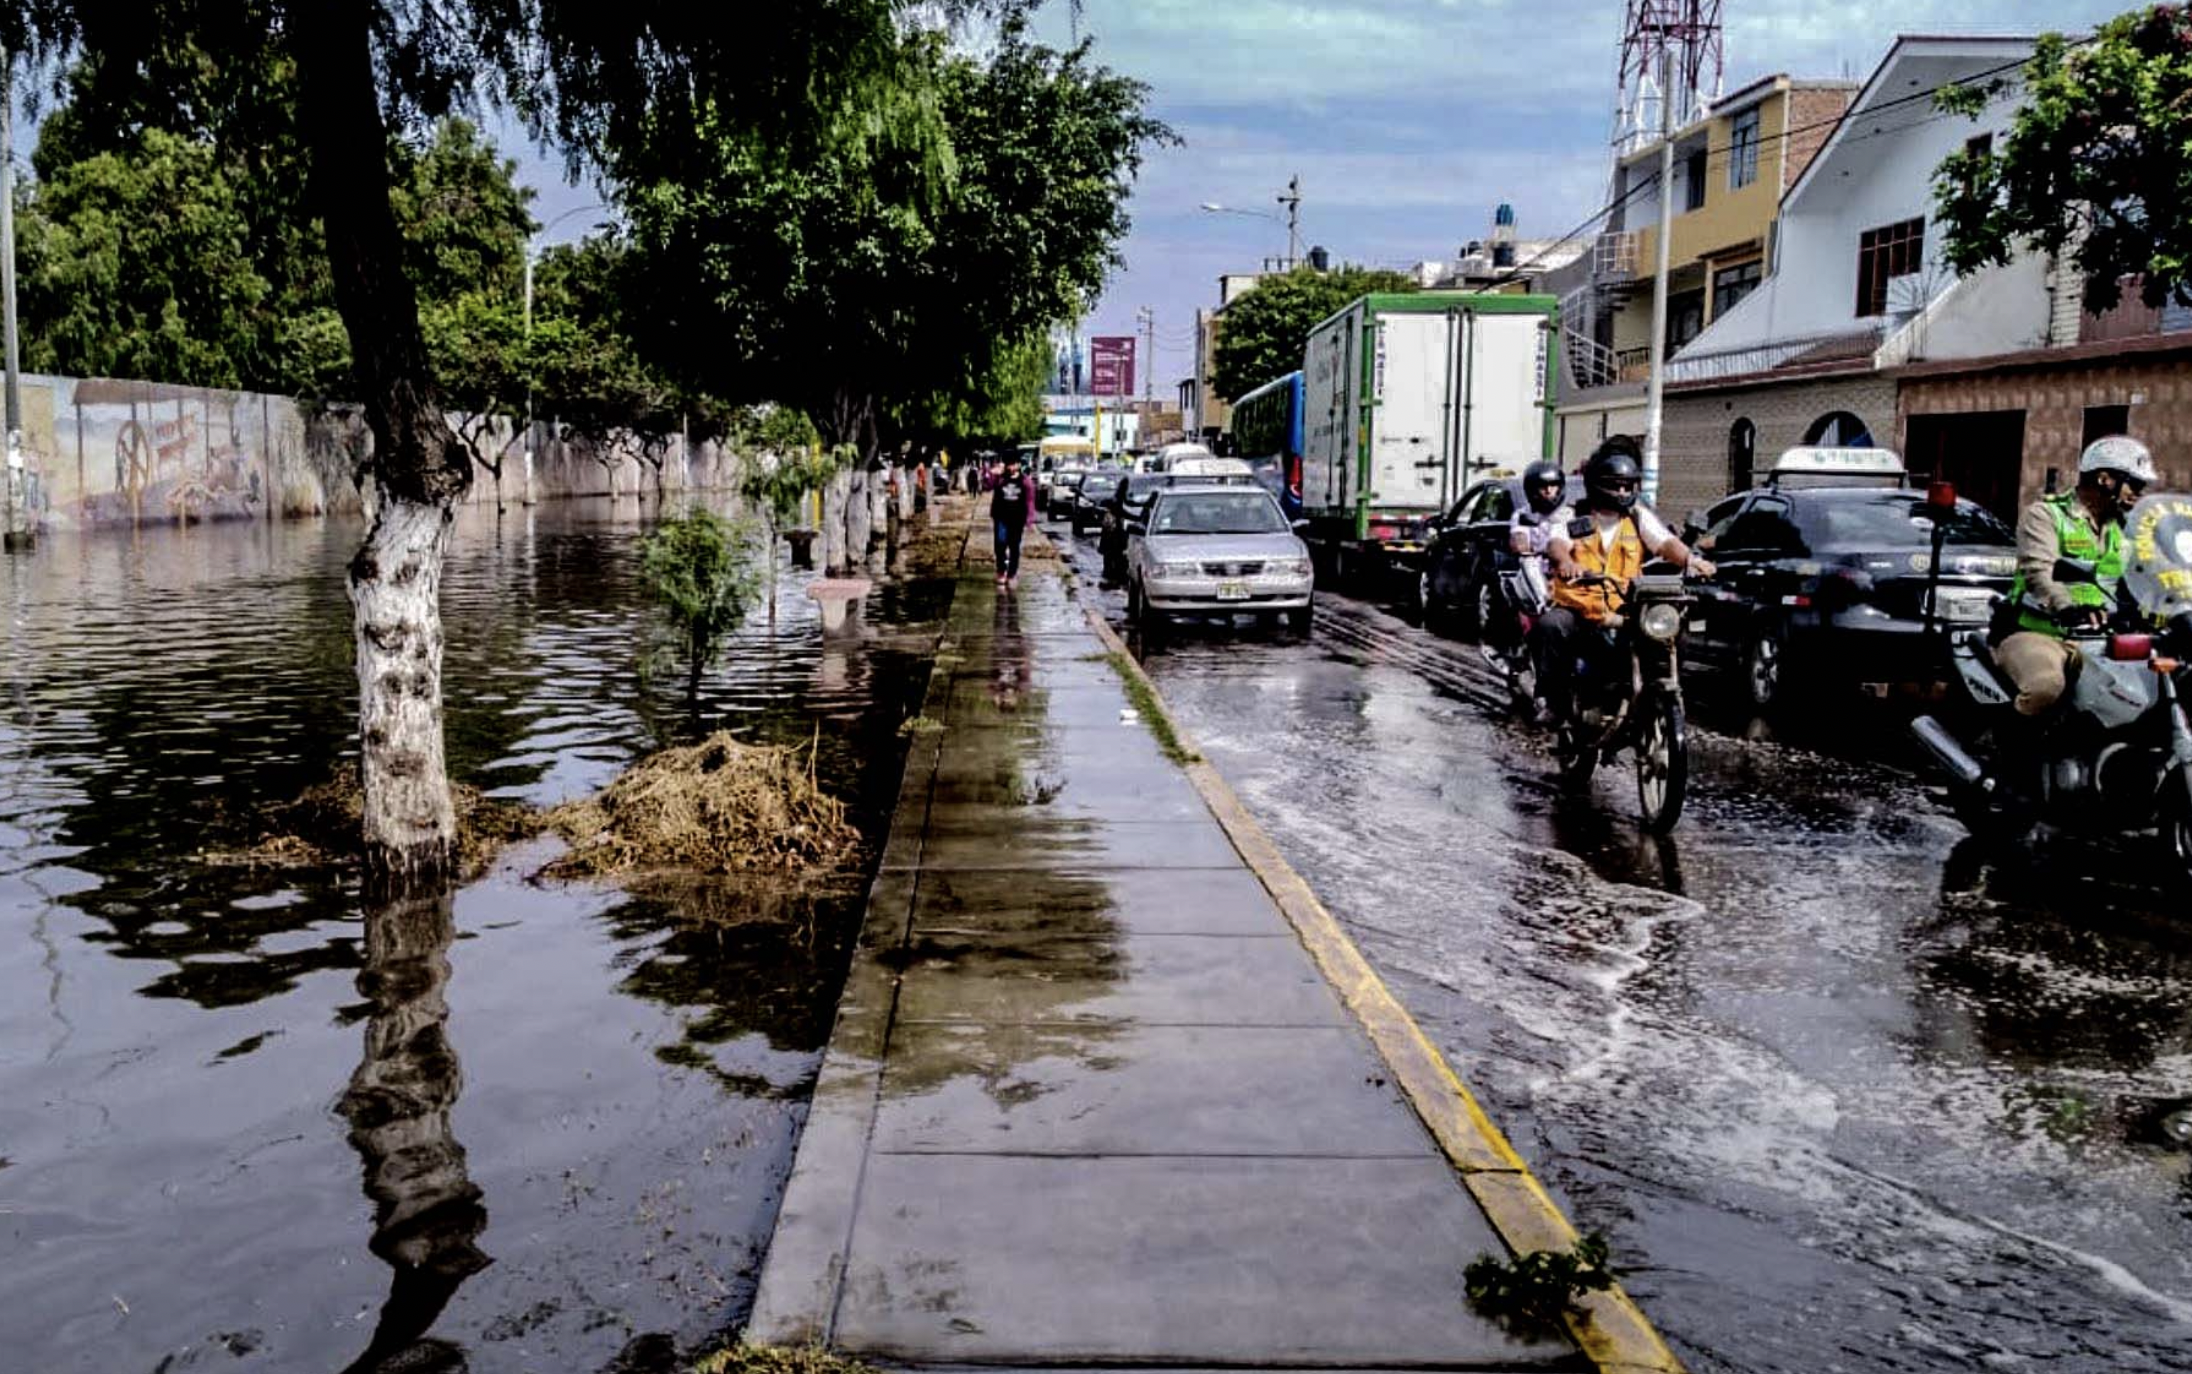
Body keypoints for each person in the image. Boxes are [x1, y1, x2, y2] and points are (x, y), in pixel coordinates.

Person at [1531, 438, 1715, 725]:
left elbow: (1665, 542)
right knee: (1551, 626)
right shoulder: (1572, 514)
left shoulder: (1637, 517)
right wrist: (1566, 562)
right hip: (1580, 608)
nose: (1621, 491)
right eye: (1615, 484)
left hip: (1624, 607)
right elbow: (1557, 543)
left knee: (1671, 630)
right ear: (1596, 483)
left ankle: (1656, 692)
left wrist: (1691, 560)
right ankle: (1555, 702)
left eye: (1627, 486)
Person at [1993, 434, 2155, 716]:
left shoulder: (2126, 528)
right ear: (2105, 479)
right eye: (2136, 484)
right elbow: (2039, 570)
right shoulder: (2046, 515)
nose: (2139, 493)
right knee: (2045, 687)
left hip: (2102, 639)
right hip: (2040, 632)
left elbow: (2153, 572)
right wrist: (2068, 606)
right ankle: (2010, 755)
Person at [990, 455, 1035, 587]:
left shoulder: (1025, 481)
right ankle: (1001, 571)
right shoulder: (1000, 479)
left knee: (1014, 546)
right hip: (1001, 518)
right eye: (1008, 464)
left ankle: (1012, 574)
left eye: (1013, 464)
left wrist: (1030, 519)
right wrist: (992, 473)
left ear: (1018, 465)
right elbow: (987, 486)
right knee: (1000, 545)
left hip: (1017, 519)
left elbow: (1030, 501)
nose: (1011, 467)